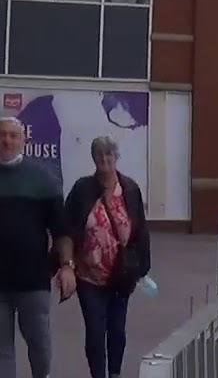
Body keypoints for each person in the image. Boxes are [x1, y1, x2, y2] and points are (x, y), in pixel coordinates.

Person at [65, 136, 151, 378]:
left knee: (117, 330)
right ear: (93, 159)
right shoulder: (82, 189)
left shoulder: (130, 189)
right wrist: (66, 264)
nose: (104, 160)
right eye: (99, 155)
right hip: (88, 276)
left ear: (116, 157)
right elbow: (68, 227)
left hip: (120, 274)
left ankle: (114, 373)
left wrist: (142, 267)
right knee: (94, 331)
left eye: (109, 155)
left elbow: (140, 229)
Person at [0, 116, 74, 378]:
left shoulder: (43, 179)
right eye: (2, 134)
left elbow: (61, 231)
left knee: (39, 344)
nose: (6, 140)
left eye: (13, 135)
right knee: (2, 352)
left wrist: (66, 266)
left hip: (33, 281)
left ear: (23, 140)